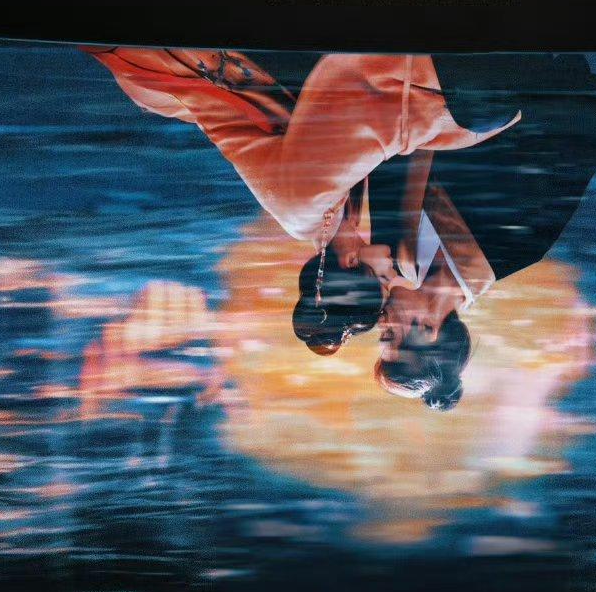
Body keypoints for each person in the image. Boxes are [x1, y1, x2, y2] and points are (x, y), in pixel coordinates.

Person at [86, 46, 526, 358]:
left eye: (382, 277)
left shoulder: (308, 203)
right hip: (249, 74)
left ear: (350, 261)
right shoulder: (331, 219)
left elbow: (371, 109)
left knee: (479, 103)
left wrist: (469, 128)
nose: (394, 273)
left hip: (206, 62)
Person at [370, 50, 596, 409]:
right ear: (428, 330)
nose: (380, 323)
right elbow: (573, 152)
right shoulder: (517, 246)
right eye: (389, 335)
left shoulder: (388, 253)